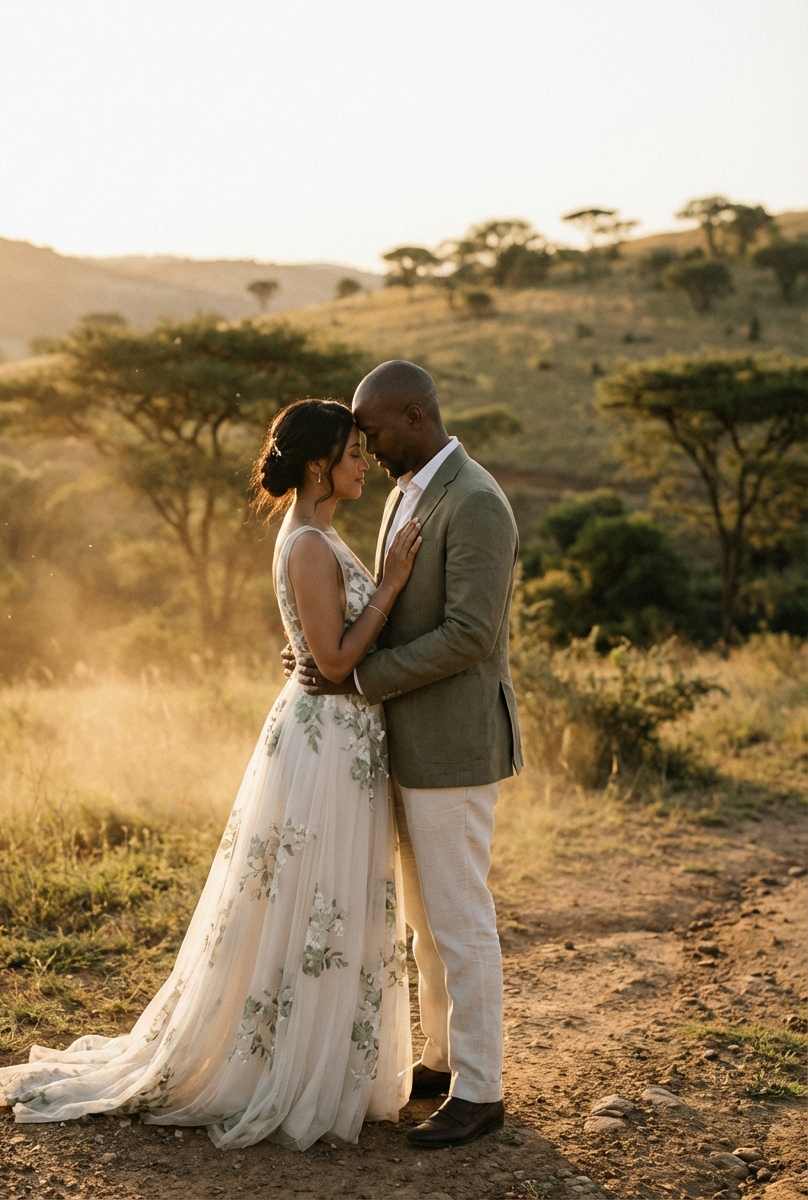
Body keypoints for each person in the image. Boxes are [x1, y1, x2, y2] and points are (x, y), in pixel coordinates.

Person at [0, 399, 423, 1151]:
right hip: (326, 743)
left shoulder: (317, 534)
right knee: (314, 897)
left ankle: (318, 1059)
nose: (363, 463)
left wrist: (328, 637)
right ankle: (288, 1069)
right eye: (352, 452)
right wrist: (391, 584)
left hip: (340, 738)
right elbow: (333, 661)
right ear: (318, 465)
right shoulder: (309, 543)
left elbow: (319, 646)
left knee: (321, 899)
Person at [295, 361, 523, 1149]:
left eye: (375, 430)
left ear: (416, 418)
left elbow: (470, 635)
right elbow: (388, 612)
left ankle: (482, 1091)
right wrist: (323, 652)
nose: (367, 446)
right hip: (405, 740)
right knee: (425, 922)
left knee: (461, 920)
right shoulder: (405, 494)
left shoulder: (477, 501)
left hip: (455, 744)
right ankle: (441, 1059)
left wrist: (358, 678)